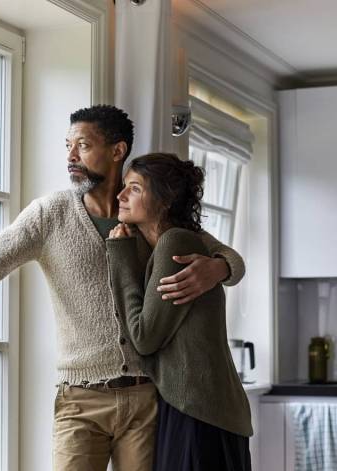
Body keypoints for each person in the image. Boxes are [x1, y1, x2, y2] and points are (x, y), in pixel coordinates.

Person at [0, 105, 246, 471]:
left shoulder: (145, 210)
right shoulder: (49, 214)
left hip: (146, 398)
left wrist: (218, 267)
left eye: (83, 145)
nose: (71, 156)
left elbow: (229, 256)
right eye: (68, 146)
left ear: (117, 151)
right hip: (80, 400)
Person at [106, 153, 253, 471]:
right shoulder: (161, 242)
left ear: (165, 199)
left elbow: (144, 338)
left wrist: (119, 257)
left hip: (197, 408)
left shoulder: (176, 242)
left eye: (134, 188)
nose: (120, 195)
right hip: (198, 405)